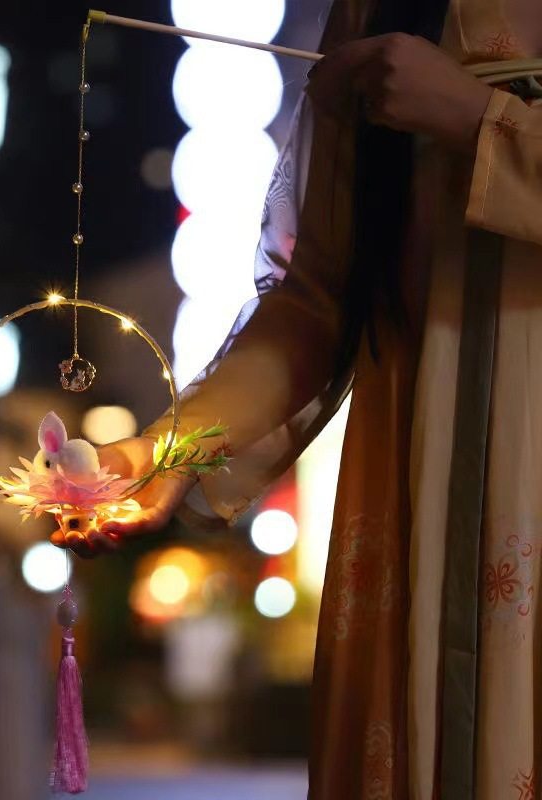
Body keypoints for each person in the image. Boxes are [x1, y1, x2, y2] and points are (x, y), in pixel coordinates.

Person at [52, 0, 542, 796]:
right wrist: (161, 453)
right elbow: (318, 297)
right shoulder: (382, 10)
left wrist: (479, 119)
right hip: (419, 525)